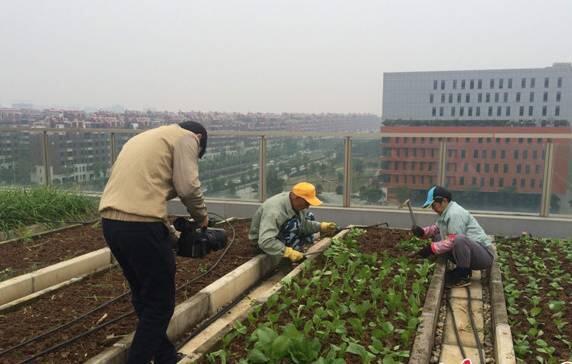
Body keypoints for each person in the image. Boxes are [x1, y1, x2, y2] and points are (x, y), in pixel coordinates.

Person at [98, 121, 209, 364]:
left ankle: (165, 356)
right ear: (199, 138)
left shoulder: (145, 138)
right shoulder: (188, 138)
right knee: (160, 304)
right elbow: (187, 187)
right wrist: (202, 218)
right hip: (141, 226)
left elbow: (142, 196)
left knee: (144, 295)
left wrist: (168, 234)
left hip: (111, 223)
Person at [411, 185, 494, 288]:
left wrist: (429, 249)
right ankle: (462, 269)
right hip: (471, 252)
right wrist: (422, 232)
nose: (433, 208)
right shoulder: (445, 213)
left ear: (444, 201)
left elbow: (453, 240)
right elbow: (436, 228)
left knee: (458, 240)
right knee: (438, 237)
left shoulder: (455, 214)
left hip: (483, 256)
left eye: (433, 205)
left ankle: (462, 275)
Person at [249, 182, 338, 262]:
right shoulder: (274, 212)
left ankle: (299, 249)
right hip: (264, 243)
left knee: (309, 215)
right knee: (292, 225)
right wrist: (288, 252)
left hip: (277, 235)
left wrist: (321, 226)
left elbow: (302, 225)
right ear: (296, 197)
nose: (307, 207)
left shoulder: (294, 203)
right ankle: (288, 259)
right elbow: (265, 241)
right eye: (306, 203)